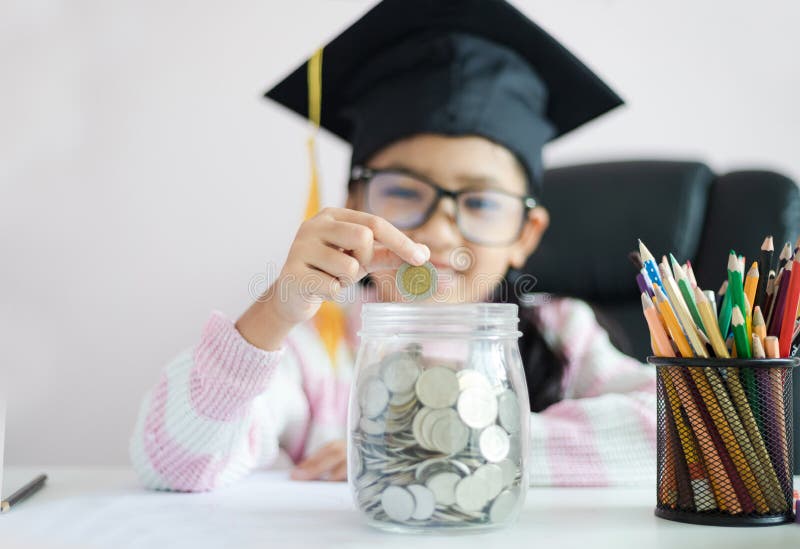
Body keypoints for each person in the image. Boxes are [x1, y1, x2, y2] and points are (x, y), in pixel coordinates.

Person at [130, 0, 656, 491]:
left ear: (526, 233)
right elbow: (173, 464)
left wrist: (439, 445)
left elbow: (679, 431)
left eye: (480, 202)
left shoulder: (560, 336)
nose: (441, 233)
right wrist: (275, 312)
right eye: (404, 192)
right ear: (355, 203)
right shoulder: (318, 348)